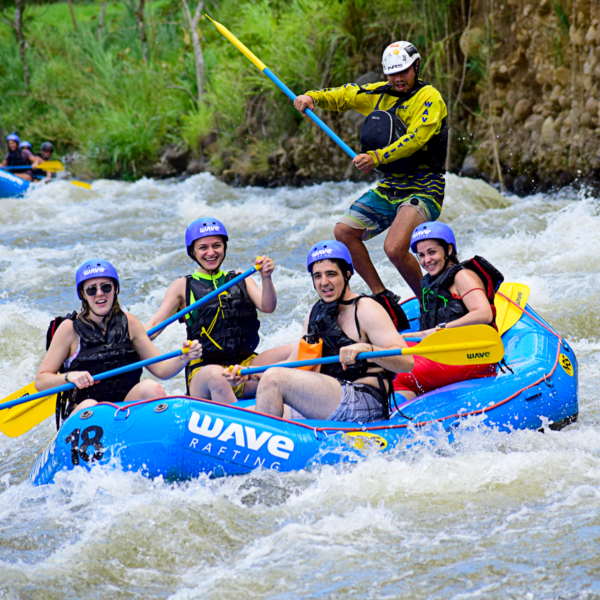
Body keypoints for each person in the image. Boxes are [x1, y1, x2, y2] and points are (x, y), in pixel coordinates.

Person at [293, 42, 449, 300]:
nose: (398, 79)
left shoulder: (429, 98)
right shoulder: (379, 93)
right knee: (343, 231)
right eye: (392, 73)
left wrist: (377, 157)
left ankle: (432, 302)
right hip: (391, 186)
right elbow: (346, 95)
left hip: (425, 186)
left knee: (395, 248)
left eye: (404, 72)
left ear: (416, 67)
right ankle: (382, 296)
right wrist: (313, 97)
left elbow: (416, 139)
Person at [226, 241, 413, 422]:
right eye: (317, 276)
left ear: (347, 275)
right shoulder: (316, 312)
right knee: (245, 414)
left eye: (331, 274)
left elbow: (406, 363)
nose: (324, 282)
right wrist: (251, 373)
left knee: (275, 378)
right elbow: (294, 362)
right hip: (328, 397)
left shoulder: (366, 309)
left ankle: (265, 446)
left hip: (364, 400)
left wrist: (368, 349)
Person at [145, 217, 290, 404]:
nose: (211, 252)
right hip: (205, 373)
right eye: (203, 247)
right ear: (192, 252)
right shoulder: (182, 286)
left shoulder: (241, 278)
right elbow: (155, 325)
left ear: (224, 247)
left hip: (243, 369)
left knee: (297, 350)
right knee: (217, 375)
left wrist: (266, 277)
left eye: (217, 246)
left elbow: (268, 306)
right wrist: (132, 340)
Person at [35, 259, 201, 421]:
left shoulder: (130, 323)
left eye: (106, 287)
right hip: (86, 414)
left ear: (115, 289)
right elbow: (41, 381)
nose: (100, 293)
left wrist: (184, 357)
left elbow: (162, 370)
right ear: (83, 295)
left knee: (152, 388)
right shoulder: (69, 329)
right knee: (91, 406)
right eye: (92, 289)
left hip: (125, 411)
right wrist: (69, 377)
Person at [393, 222, 504, 400]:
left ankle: (401, 421)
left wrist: (438, 330)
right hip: (447, 350)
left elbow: (484, 313)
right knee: (389, 354)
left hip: (471, 356)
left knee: (395, 375)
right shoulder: (433, 282)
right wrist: (421, 334)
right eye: (421, 255)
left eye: (432, 252)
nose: (426, 260)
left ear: (449, 249)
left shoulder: (462, 276)